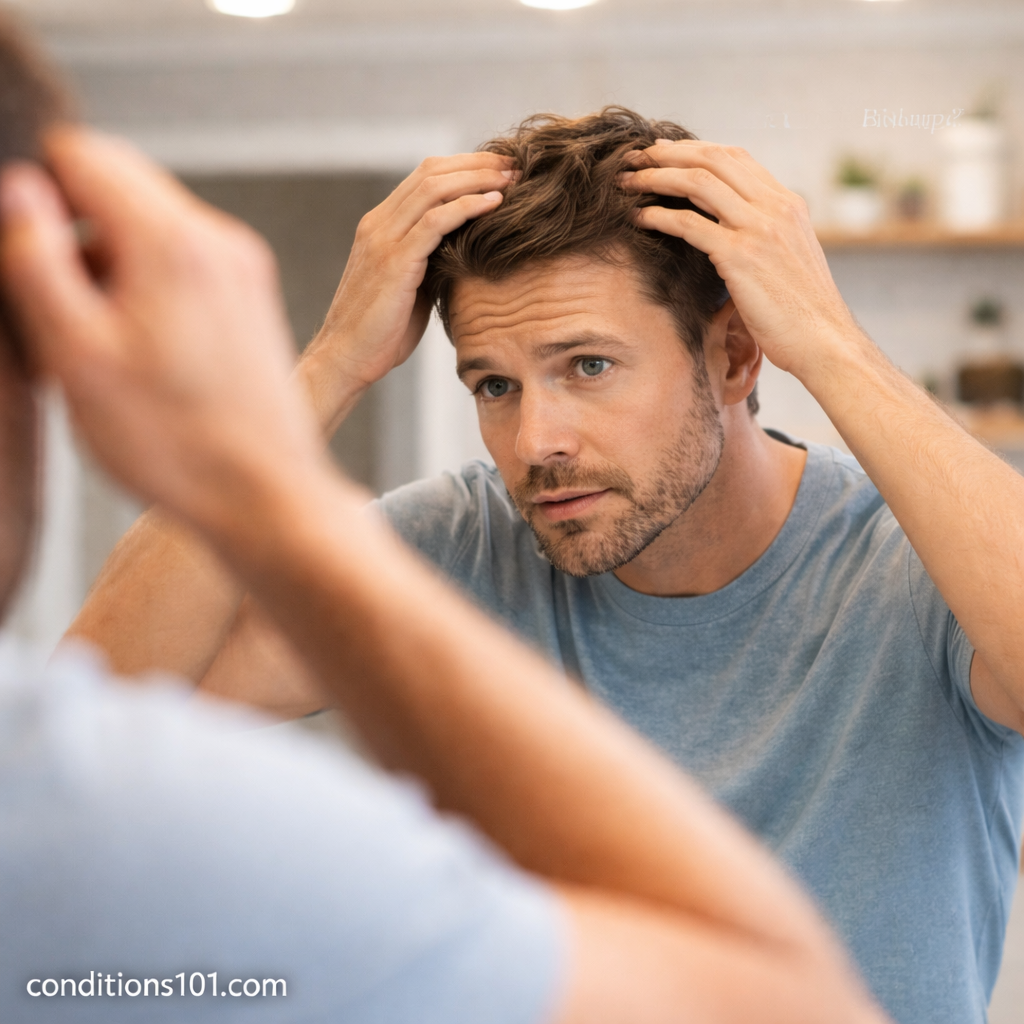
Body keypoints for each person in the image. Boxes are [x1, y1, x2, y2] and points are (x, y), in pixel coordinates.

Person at [0, 14, 888, 1024]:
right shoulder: (452, 543)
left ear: (733, 357)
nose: (533, 438)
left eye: (586, 366)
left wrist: (834, 349)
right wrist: (332, 355)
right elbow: (100, 716)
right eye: (492, 384)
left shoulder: (900, 556)